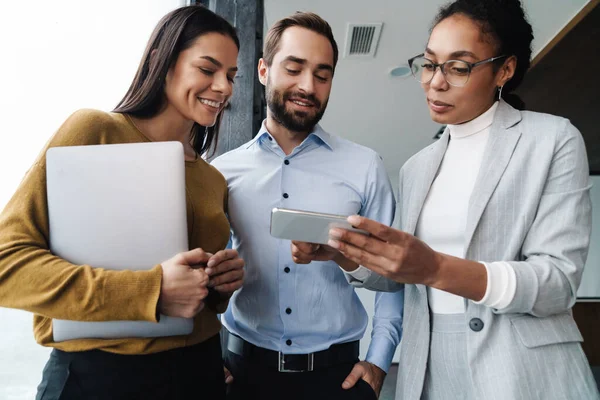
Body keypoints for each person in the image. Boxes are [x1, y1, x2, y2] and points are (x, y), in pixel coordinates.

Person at [320, 0, 600, 399]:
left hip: (522, 367)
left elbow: (556, 282)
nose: (435, 82)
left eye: (459, 67)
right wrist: (344, 255)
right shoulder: (417, 167)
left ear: (505, 69)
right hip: (430, 365)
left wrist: (436, 268)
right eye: (431, 64)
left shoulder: (552, 140)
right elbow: (410, 275)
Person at [0, 5, 244, 399]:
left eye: (231, 76)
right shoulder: (95, 131)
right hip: (99, 375)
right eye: (207, 69)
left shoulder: (212, 178)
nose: (224, 87)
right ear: (161, 63)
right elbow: (6, 264)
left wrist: (220, 286)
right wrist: (152, 290)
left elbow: (194, 298)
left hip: (199, 372)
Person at [211, 11, 400, 400]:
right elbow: (209, 277)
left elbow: (394, 278)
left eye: (322, 75)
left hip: (338, 379)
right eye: (294, 68)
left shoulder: (365, 166)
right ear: (264, 70)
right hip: (244, 376)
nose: (308, 86)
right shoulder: (222, 173)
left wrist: (379, 361)